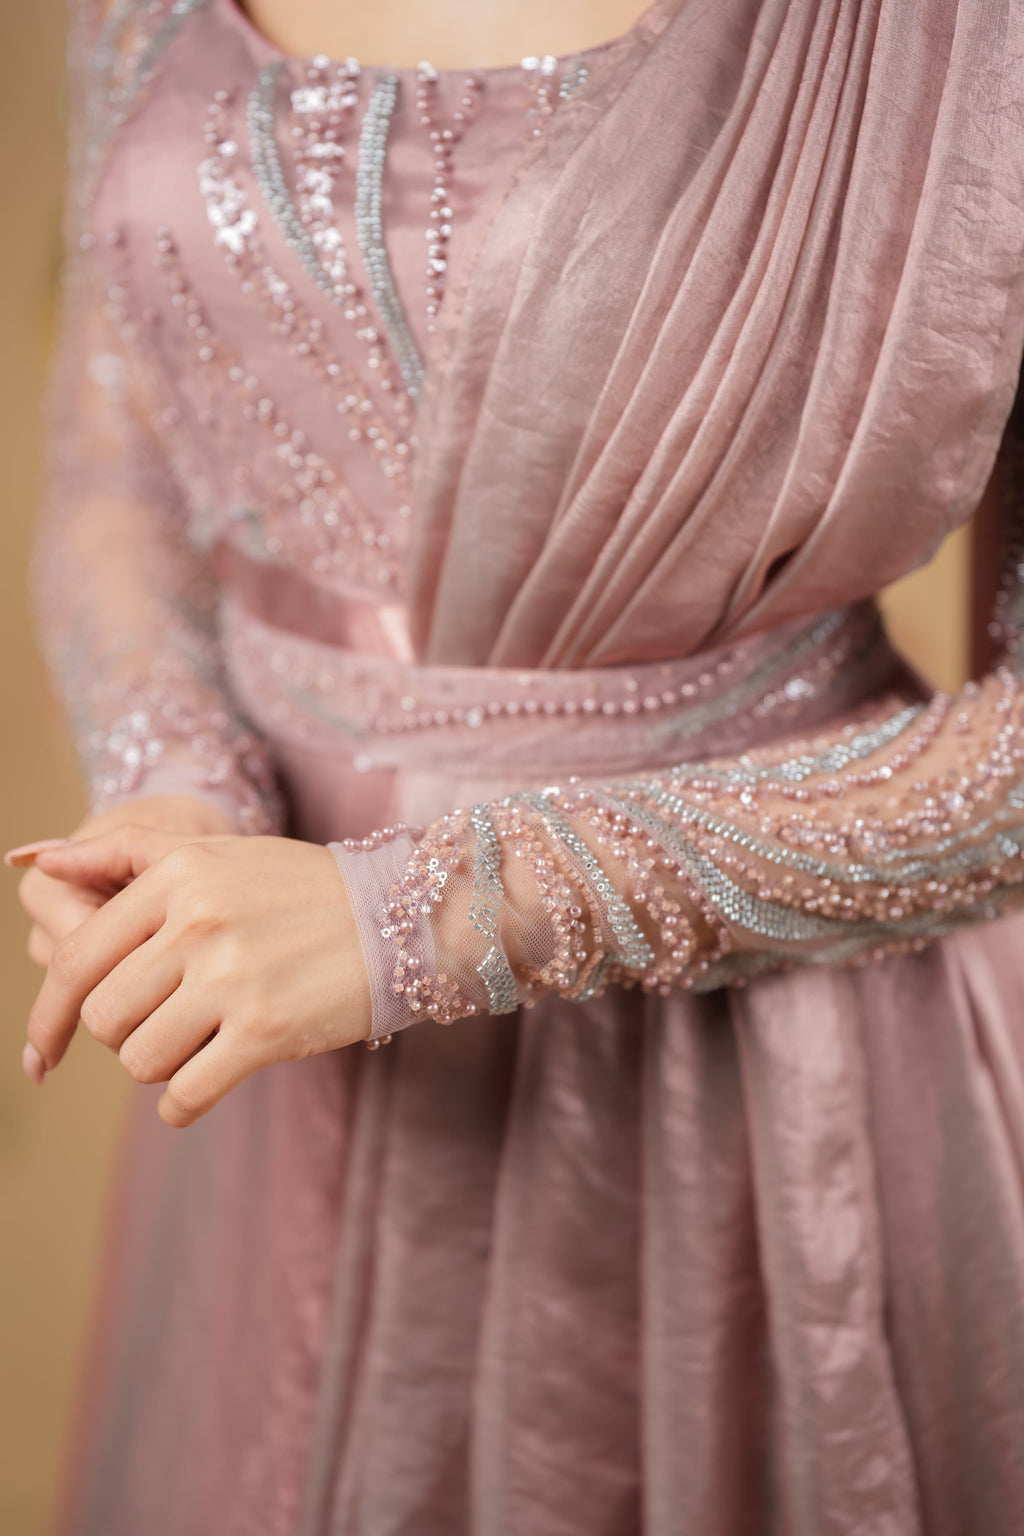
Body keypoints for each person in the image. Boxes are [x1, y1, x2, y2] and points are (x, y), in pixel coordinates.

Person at [11, 0, 1024, 1529]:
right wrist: (172, 784)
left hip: (754, 1090)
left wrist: (417, 916)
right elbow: (115, 450)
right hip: (261, 1026)